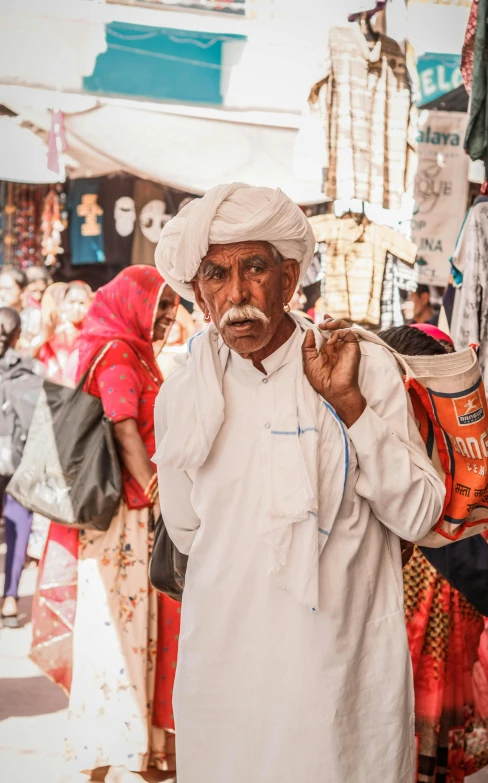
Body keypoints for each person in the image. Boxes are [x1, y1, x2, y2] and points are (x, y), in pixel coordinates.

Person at [153, 183, 446, 783]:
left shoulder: (357, 366)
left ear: (289, 279)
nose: (236, 294)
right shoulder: (183, 393)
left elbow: (419, 514)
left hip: (335, 679)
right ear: (198, 293)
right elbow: (185, 532)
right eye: (215, 274)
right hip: (225, 674)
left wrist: (349, 405)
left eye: (254, 268)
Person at [31, 267, 180, 783]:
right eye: (158, 306)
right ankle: (114, 749)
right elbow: (122, 425)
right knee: (122, 634)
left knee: (139, 632)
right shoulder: (118, 353)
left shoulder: (130, 349)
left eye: (170, 307)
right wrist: (157, 494)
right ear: (132, 304)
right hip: (126, 522)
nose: (167, 317)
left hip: (133, 517)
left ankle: (137, 747)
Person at [379, 324, 488, 780]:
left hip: (439, 620)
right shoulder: (396, 449)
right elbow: (463, 559)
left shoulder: (455, 445)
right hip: (407, 621)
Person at [0, 307, 42, 627]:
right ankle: (10, 598)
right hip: (18, 459)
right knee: (18, 525)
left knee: (15, 526)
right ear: (17, 336)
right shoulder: (30, 370)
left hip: (14, 460)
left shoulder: (30, 369)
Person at [37, 281, 92, 386]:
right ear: (62, 303)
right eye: (71, 302)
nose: (76, 308)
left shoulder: (91, 333)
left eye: (81, 303)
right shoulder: (52, 327)